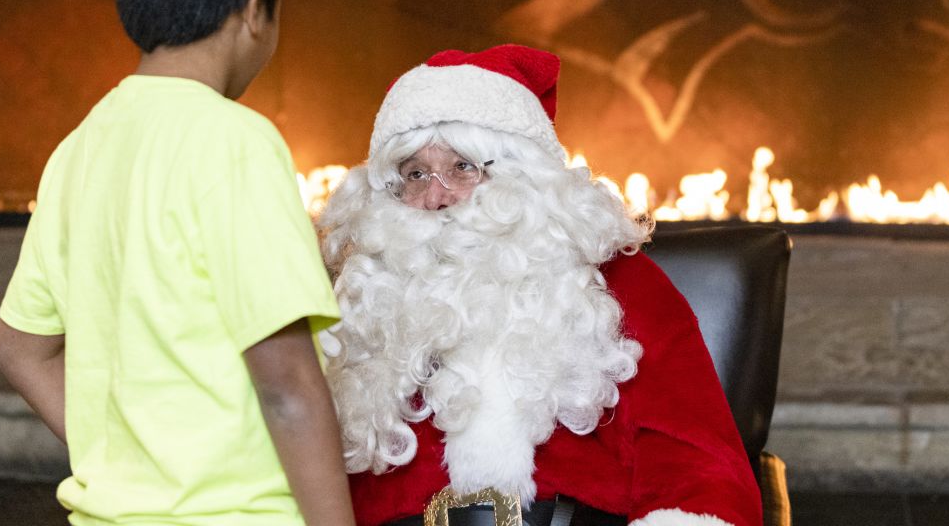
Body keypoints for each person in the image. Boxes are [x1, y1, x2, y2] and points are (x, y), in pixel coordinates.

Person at [0, 0, 355, 526]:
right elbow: (288, 387)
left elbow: (19, 349)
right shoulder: (235, 144)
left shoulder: (79, 149)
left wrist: (126, 467)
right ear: (255, 11)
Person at [317, 44, 763, 526]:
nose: (435, 197)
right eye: (415, 174)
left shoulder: (613, 282)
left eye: (462, 167)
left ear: (523, 176)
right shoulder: (364, 296)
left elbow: (693, 456)